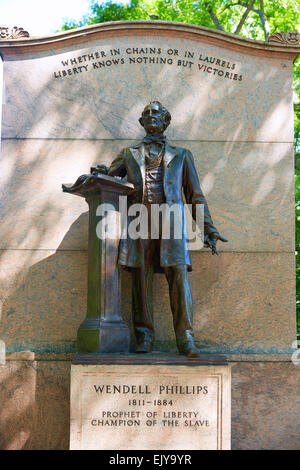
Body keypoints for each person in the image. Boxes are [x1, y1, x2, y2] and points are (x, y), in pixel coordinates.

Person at [94, 101, 227, 356]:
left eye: (157, 113)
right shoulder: (127, 154)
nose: (151, 116)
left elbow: (195, 195)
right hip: (138, 219)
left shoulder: (183, 155)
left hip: (171, 222)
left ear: (166, 121)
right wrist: (99, 174)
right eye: (147, 113)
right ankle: (144, 336)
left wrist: (207, 229)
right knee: (140, 279)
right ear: (142, 122)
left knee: (178, 275)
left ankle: (186, 337)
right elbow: (110, 180)